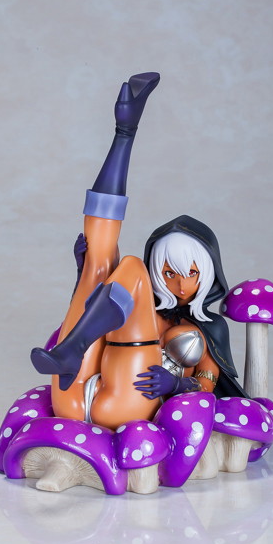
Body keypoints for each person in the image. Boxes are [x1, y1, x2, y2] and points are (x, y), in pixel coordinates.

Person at [30, 72, 247, 430]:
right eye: (169, 273)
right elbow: (92, 312)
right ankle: (123, 132)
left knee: (127, 265)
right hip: (73, 395)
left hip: (130, 403)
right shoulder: (145, 303)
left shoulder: (211, 328)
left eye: (192, 273)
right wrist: (83, 274)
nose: (180, 285)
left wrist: (176, 384)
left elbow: (207, 384)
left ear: (208, 273)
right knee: (99, 262)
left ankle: (126, 132)